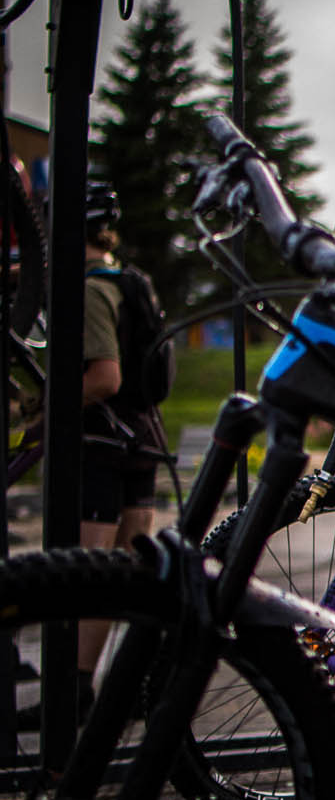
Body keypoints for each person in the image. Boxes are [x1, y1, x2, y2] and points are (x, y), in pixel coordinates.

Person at [77, 181, 172, 695]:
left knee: (91, 574)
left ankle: (75, 689)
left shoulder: (92, 290)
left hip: (103, 440)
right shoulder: (130, 279)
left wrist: (46, 407)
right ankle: (132, 682)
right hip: (143, 437)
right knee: (130, 570)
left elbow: (105, 378)